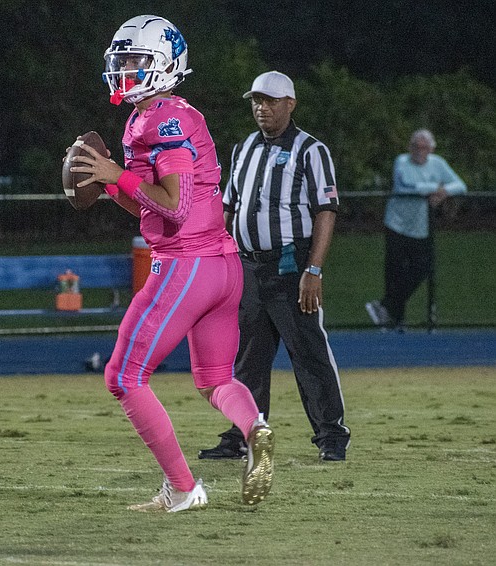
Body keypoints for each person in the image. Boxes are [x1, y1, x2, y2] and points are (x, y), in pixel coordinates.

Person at [68, 15, 274, 511]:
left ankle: (183, 489)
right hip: (221, 266)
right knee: (216, 380)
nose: (125, 70)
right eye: (122, 61)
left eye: (136, 60)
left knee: (123, 376)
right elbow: (152, 205)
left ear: (165, 64)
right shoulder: (157, 114)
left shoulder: (164, 118)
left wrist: (118, 173)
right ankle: (256, 429)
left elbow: (175, 204)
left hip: (188, 266)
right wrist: (111, 187)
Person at [198, 71, 351, 462]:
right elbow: (229, 206)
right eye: (255, 101)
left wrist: (313, 270)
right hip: (247, 266)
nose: (261, 108)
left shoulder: (310, 150)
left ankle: (331, 436)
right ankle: (243, 434)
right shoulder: (244, 147)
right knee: (248, 356)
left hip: (290, 265)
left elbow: (326, 211)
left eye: (269, 101)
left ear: (290, 104)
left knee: (308, 351)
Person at [365, 129, 467, 330]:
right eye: (416, 147)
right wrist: (434, 188)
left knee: (421, 268)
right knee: (394, 271)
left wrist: (444, 191)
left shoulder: (437, 163)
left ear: (431, 149)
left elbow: (460, 185)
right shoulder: (402, 162)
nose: (419, 151)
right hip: (397, 224)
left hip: (420, 227)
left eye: (424, 148)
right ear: (410, 147)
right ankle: (396, 320)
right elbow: (406, 186)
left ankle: (386, 307)